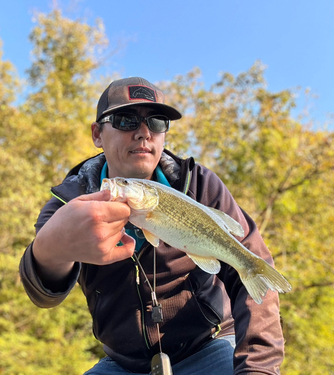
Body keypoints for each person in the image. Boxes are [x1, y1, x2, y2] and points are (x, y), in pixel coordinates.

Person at [20, 77, 286, 374]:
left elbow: (254, 271)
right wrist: (50, 250)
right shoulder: (69, 202)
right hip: (122, 364)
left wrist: (258, 369)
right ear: (97, 134)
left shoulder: (199, 185)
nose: (144, 132)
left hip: (208, 346)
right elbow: (42, 294)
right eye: (126, 120)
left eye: (157, 122)